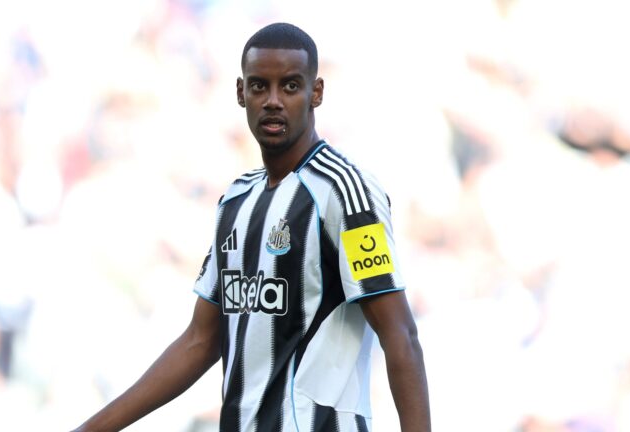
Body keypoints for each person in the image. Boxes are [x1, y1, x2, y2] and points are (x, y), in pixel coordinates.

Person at [72, 22, 431, 432]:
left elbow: (400, 333)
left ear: (316, 93)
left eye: (290, 86)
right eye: (260, 87)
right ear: (241, 92)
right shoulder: (236, 200)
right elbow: (200, 341)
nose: (273, 101)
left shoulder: (346, 192)